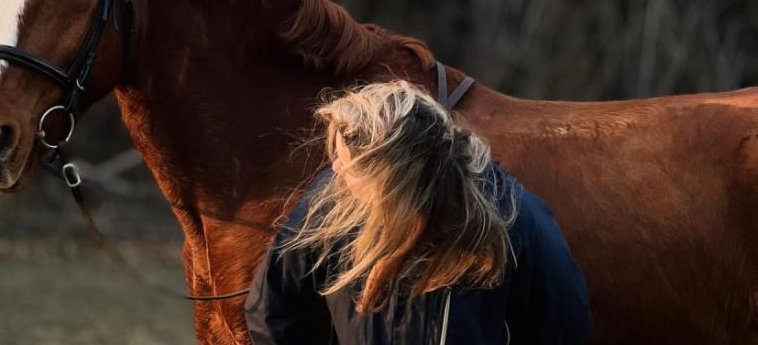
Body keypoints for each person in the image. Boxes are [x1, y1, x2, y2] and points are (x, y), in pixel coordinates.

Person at [245, 80, 592, 344]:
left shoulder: (514, 219)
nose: (334, 169)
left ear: (391, 177)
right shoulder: (330, 203)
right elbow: (272, 312)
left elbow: (564, 329)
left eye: (345, 162)